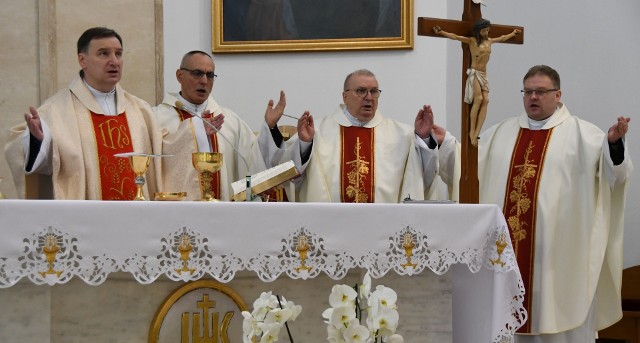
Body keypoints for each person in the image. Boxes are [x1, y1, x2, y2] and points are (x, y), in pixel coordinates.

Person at [438, 65, 633, 342]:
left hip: (557, 260)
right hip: (506, 256)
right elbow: (466, 168)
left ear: (558, 94)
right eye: (528, 91)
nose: (533, 97)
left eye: (541, 92)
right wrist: (444, 143)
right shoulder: (500, 134)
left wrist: (613, 144)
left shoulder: (584, 135)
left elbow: (617, 176)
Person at [4, 27, 163, 200]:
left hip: (138, 217)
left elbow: (164, 156)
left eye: (118, 54)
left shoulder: (140, 111)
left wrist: (193, 128)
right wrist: (38, 142)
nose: (114, 61)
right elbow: (28, 157)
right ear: (82, 60)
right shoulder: (56, 111)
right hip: (87, 220)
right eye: (103, 54)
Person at [259, 69, 440, 203]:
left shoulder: (402, 134)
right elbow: (282, 173)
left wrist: (423, 138)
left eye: (374, 91)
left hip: (384, 230)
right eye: (361, 91)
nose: (369, 97)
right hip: (329, 231)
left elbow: (425, 177)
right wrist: (302, 143)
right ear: (345, 96)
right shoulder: (318, 131)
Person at [154, 50, 273, 201]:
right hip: (176, 216)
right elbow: (152, 163)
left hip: (222, 216)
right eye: (197, 73)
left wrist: (270, 128)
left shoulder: (230, 121)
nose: (204, 81)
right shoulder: (157, 118)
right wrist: (193, 131)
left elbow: (253, 162)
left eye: (210, 75)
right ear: (180, 76)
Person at [433, 19, 521, 147]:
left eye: (487, 30)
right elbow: (456, 37)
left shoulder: (489, 41)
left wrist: (513, 33)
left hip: (484, 74)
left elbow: (502, 38)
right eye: (484, 30)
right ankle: (471, 132)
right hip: (475, 73)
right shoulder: (472, 41)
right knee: (478, 98)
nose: (486, 32)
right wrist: (441, 32)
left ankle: (477, 132)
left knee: (486, 100)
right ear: (478, 30)